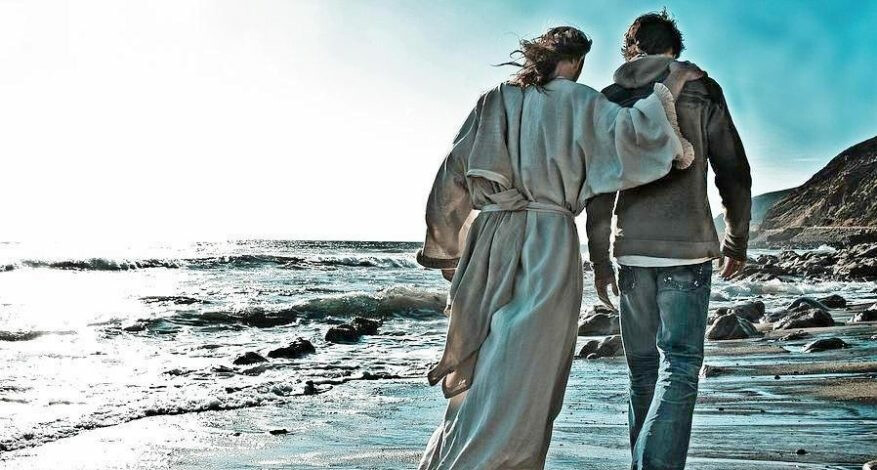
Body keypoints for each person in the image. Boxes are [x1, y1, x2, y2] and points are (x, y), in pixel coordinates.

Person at [415, 26, 704, 470]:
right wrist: (674, 82)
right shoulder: (580, 100)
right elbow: (636, 136)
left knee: (486, 358)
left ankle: (456, 456)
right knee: (529, 365)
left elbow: (452, 174)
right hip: (548, 242)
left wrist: (448, 249)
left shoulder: (495, 100)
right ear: (577, 60)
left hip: (489, 240)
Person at [585, 10, 752, 470]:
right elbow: (732, 169)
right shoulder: (701, 89)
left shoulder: (610, 98)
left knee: (642, 372)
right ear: (674, 49)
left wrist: (600, 260)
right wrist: (736, 238)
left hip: (631, 251)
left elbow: (599, 185)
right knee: (679, 367)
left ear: (630, 50)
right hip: (687, 247)